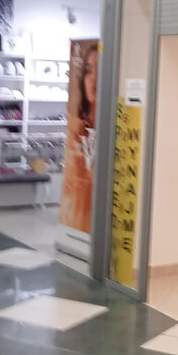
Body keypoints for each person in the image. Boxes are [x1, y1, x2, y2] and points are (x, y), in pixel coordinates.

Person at [60, 43, 98, 232]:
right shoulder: (76, 128)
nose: (94, 78)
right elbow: (70, 185)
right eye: (89, 71)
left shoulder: (107, 130)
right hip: (74, 221)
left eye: (100, 71)